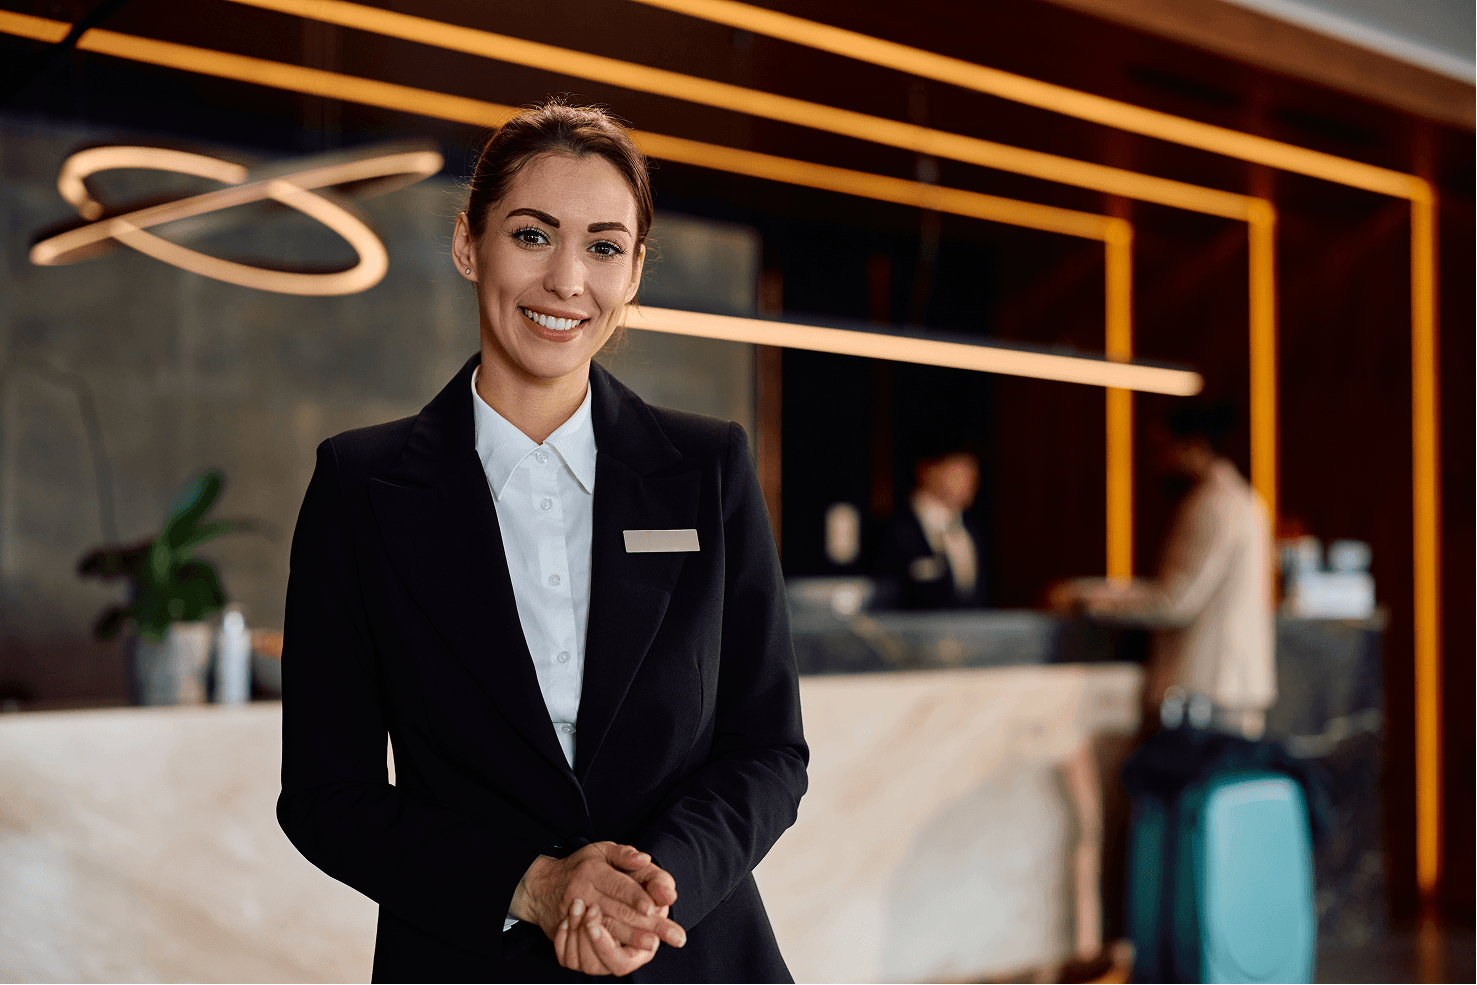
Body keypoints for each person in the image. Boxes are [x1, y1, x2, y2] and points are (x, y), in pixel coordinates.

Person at [277, 100, 808, 983]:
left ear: (634, 271)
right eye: (532, 235)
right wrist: (532, 885)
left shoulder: (709, 466)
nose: (567, 280)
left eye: (603, 246)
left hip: (690, 953)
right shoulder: (358, 487)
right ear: (467, 244)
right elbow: (325, 795)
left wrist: (649, 892)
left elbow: (767, 748)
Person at [1054, 400, 1276, 737]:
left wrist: (1085, 600)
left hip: (1207, 691)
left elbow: (1175, 601)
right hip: (1227, 689)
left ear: (1194, 446)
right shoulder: (1242, 499)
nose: (1156, 462)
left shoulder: (1215, 504)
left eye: (1163, 448)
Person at [881, 449, 987, 609]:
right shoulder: (897, 530)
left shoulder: (971, 530)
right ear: (927, 472)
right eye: (958, 472)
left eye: (973, 473)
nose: (970, 481)